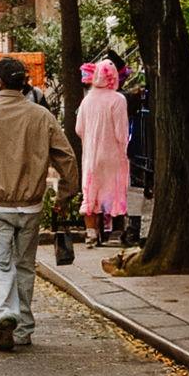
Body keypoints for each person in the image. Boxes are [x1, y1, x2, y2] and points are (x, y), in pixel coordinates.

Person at [0, 57, 79, 353]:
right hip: (30, 205)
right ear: (24, 82)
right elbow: (67, 157)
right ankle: (23, 328)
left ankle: (5, 313)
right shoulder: (42, 116)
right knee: (24, 265)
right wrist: (64, 195)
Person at [76, 58, 132, 246]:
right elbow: (121, 133)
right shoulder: (118, 100)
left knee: (92, 192)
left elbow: (78, 129)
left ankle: (91, 232)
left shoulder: (87, 100)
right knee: (114, 191)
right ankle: (114, 232)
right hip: (113, 155)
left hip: (91, 156)